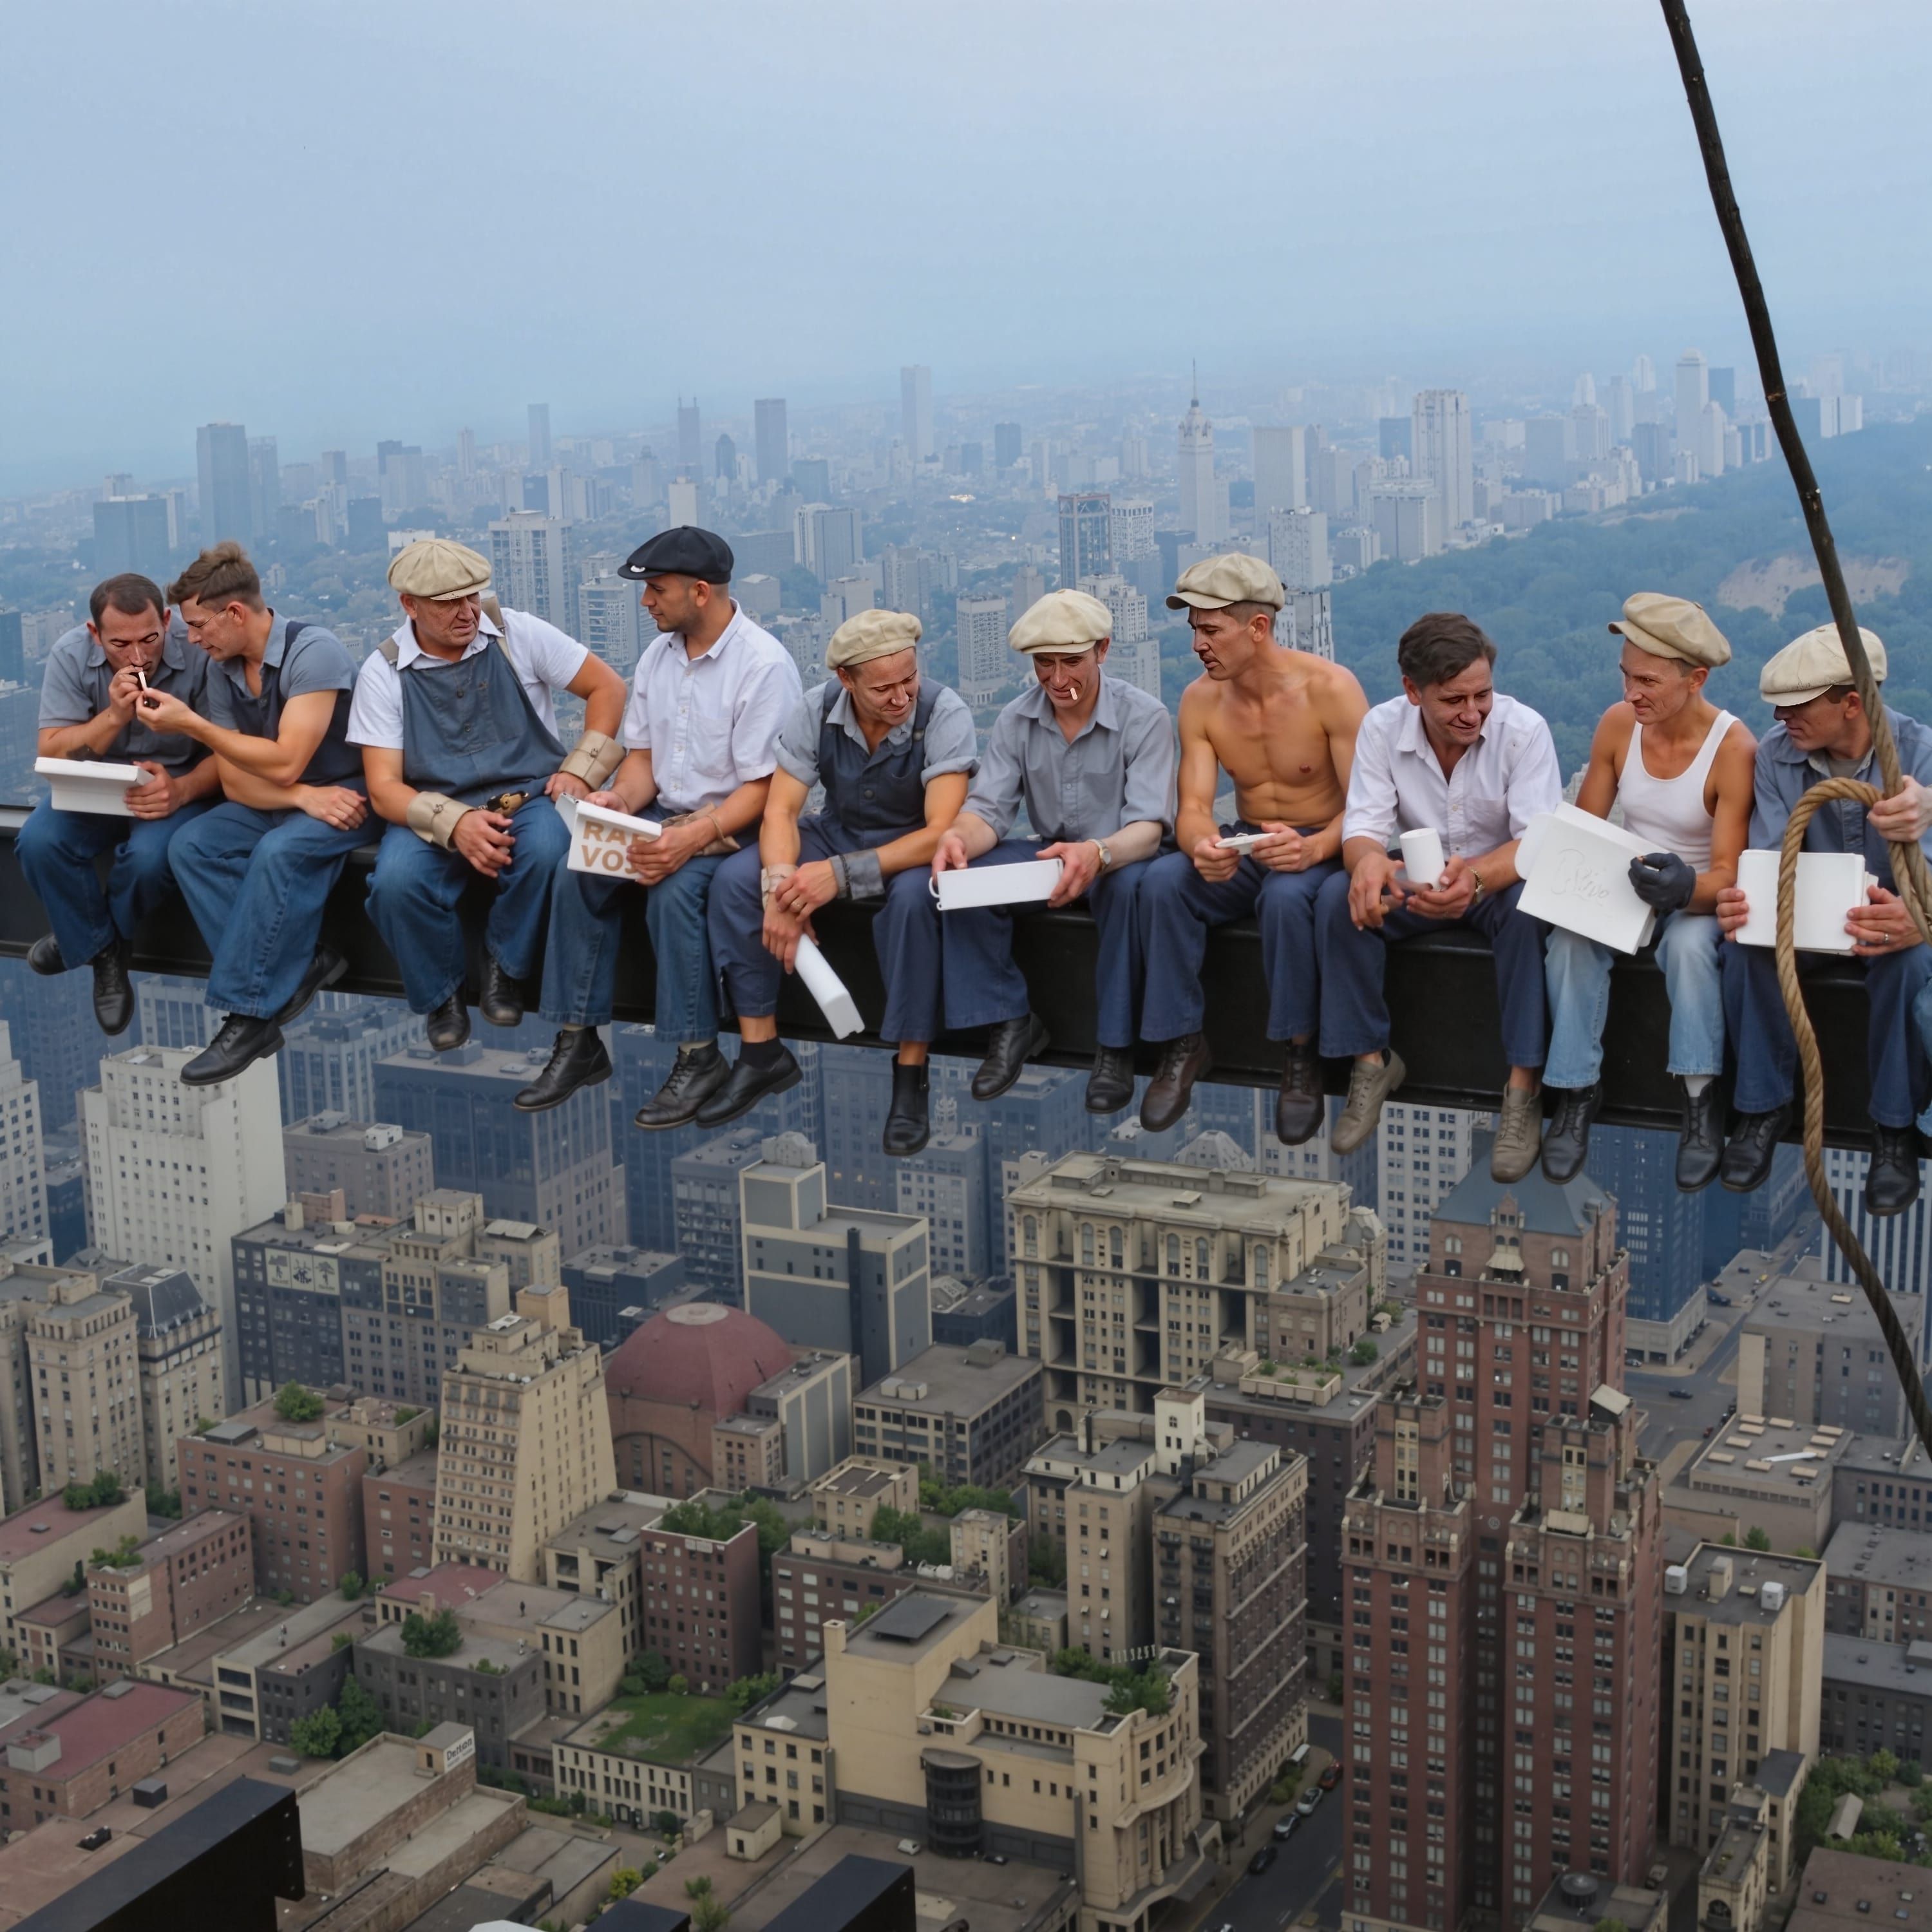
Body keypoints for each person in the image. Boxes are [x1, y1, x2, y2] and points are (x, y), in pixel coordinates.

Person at [517, 526, 800, 1124]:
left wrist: (689, 840)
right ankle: (578, 1038)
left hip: (732, 829)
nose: (647, 602)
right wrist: (620, 799)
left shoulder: (763, 665)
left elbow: (764, 788)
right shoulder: (658, 657)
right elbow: (643, 758)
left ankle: (698, 1054)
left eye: (657, 590)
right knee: (580, 873)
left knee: (673, 894)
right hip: (662, 817)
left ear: (700, 592)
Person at [700, 608, 975, 1153]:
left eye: (908, 681)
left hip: (912, 847)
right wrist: (781, 889)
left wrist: (837, 877)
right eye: (883, 689)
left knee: (916, 904)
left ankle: (910, 1070)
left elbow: (941, 829)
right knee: (735, 878)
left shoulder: (945, 713)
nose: (901, 698)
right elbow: (780, 811)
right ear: (846, 681)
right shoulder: (818, 707)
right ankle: (760, 1050)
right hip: (839, 831)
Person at [350, 539, 627, 1051]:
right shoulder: (383, 672)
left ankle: (506, 965)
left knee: (548, 850)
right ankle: (442, 995)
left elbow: (607, 688)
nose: (467, 611)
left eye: (472, 597)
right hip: (431, 810)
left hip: (529, 796)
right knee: (394, 882)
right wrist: (455, 823)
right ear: (410, 605)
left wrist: (581, 773)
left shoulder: (515, 633)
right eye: (448, 602)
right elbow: (384, 788)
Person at [1316, 611, 1561, 1180]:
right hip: (1419, 882)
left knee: (1530, 913)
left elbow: (1537, 840)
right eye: (1454, 700)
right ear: (1412, 692)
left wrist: (1474, 880)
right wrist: (1370, 864)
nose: (1473, 712)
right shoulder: (1382, 728)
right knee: (1337, 900)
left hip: (1500, 883)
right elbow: (1363, 828)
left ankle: (1523, 1089)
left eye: (1483, 695)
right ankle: (1371, 1062)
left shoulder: (1523, 732)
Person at [1136, 554, 1367, 1141]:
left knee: (1287, 901)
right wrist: (1199, 846)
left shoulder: (1330, 690)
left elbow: (1372, 808)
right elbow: (1191, 808)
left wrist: (1314, 852)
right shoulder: (1200, 702)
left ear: (1257, 629)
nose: (1197, 644)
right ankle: (1183, 1041)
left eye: (1210, 630)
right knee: (1161, 883)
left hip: (1321, 840)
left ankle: (1299, 1056)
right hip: (1246, 840)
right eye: (1194, 629)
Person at [927, 589, 1175, 1113]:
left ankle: (1114, 1046)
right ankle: (1010, 1018)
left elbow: (1149, 827)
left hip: (1119, 859)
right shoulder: (1018, 720)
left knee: (1130, 886)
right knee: (964, 880)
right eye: (1045, 664)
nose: (1058, 680)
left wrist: (1099, 854)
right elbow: (989, 810)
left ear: (1102, 651)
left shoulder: (1144, 717)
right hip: (1051, 859)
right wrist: (957, 838)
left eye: (1071, 663)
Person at [130, 544, 368, 1083]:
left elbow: (285, 760)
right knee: (192, 845)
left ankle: (248, 1014)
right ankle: (301, 963)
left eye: (197, 625)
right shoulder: (226, 668)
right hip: (287, 799)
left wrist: (193, 725)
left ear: (234, 613)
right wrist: (298, 798)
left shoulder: (315, 652)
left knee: (278, 851)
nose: (193, 639)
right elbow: (235, 777)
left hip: (348, 796)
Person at [1540, 594, 1755, 1189]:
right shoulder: (1617, 726)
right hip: (1622, 877)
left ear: (1695, 680)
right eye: (1626, 677)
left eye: (1648, 681)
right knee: (1569, 944)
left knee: (1689, 951)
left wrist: (1684, 888)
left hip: (1692, 892)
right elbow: (1588, 829)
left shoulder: (1732, 750)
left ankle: (1698, 1098)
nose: (1632, 693)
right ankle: (1575, 1090)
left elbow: (1727, 874)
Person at [1716, 624, 1932, 1215]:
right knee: (1742, 947)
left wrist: (1917, 917)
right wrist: (1745, 902)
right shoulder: (1775, 756)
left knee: (1908, 961)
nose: (1782, 716)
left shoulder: (1921, 756)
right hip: (1808, 920)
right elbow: (1769, 858)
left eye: (1798, 705)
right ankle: (1760, 1108)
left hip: (1895, 924)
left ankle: (1892, 1130)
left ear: (1853, 703)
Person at [18, 573, 220, 1033]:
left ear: (167, 621)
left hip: (176, 781)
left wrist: (182, 789)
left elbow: (227, 748)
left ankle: (83, 940)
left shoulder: (200, 651)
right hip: (97, 783)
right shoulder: (71, 654)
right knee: (38, 841)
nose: (137, 655)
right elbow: (50, 749)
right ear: (95, 634)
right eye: (119, 644)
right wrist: (112, 717)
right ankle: (103, 951)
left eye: (150, 638)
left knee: (150, 860)